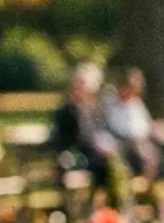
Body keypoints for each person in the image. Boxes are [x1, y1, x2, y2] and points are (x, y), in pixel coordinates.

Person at [51, 62, 122, 190]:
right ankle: (108, 203)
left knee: (116, 164)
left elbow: (103, 130)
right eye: (79, 84)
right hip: (75, 156)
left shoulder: (93, 108)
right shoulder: (68, 110)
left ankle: (113, 203)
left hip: (91, 155)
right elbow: (77, 138)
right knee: (106, 166)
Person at [104, 67, 164, 181]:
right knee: (143, 154)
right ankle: (144, 184)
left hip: (143, 139)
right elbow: (116, 127)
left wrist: (158, 128)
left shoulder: (136, 103)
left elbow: (145, 124)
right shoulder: (111, 102)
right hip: (124, 141)